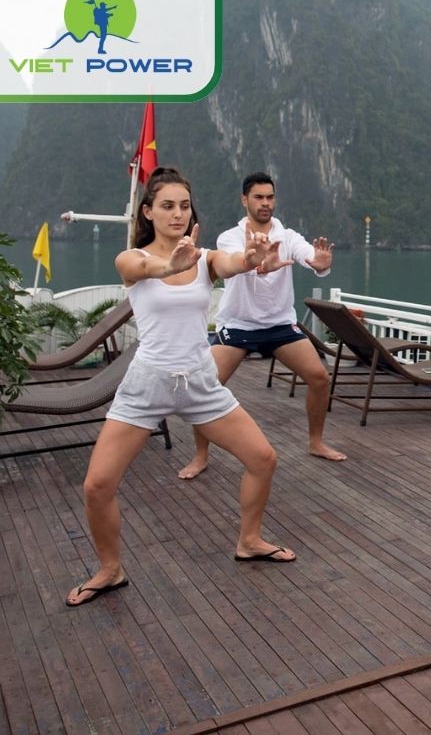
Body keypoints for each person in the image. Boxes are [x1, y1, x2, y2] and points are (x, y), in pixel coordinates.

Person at [66, 167, 296, 608]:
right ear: (148, 212)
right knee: (97, 485)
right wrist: (168, 264)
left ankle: (249, 540)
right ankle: (110, 569)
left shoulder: (205, 257)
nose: (176, 213)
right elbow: (143, 265)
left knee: (263, 459)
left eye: (184, 205)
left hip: (199, 380)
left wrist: (251, 259)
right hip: (147, 383)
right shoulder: (131, 259)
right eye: (167, 206)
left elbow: (230, 263)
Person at [177, 172, 342, 480]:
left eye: (270, 197)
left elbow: (312, 257)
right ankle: (200, 455)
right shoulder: (229, 237)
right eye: (258, 197)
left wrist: (321, 262)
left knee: (319, 377)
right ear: (245, 200)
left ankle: (316, 442)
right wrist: (258, 264)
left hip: (279, 325)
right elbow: (233, 263)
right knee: (207, 386)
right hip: (238, 326)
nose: (266, 203)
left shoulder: (288, 236)